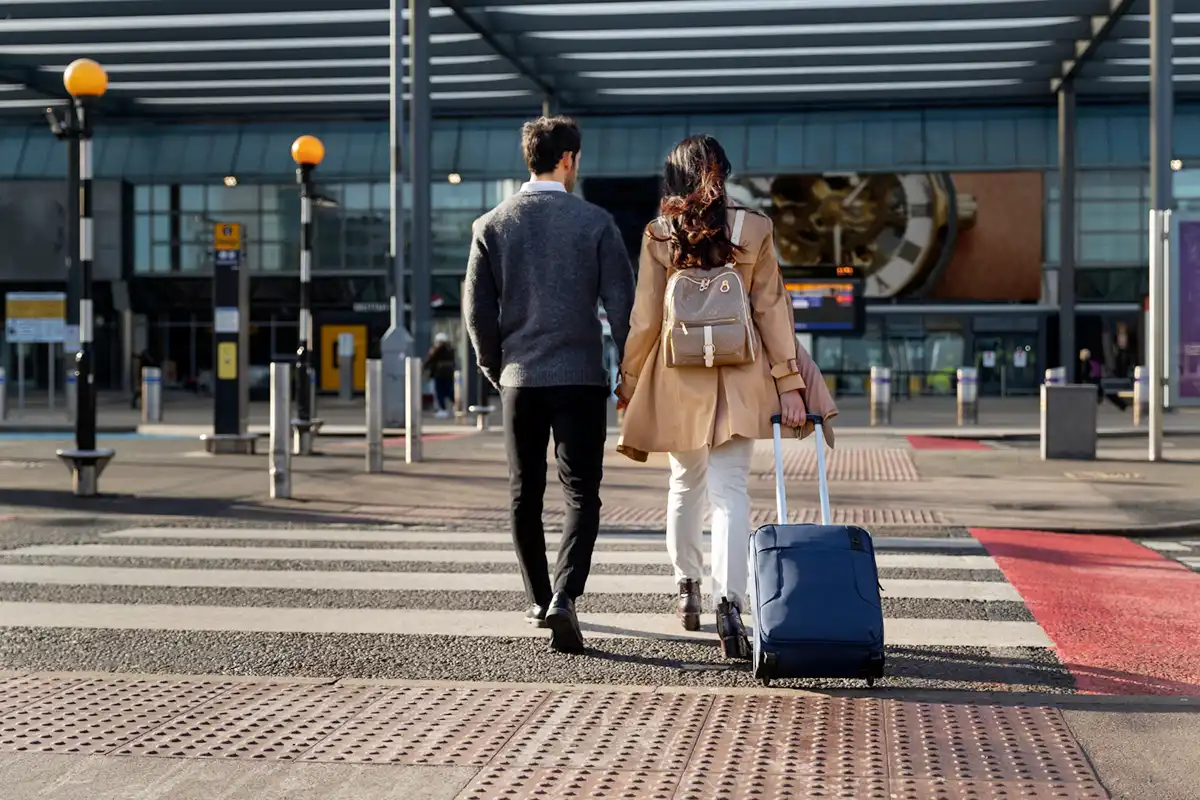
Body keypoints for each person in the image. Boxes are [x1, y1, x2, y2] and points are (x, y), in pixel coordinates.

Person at [615, 134, 838, 659]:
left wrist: (627, 380)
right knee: (731, 491)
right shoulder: (755, 228)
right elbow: (772, 311)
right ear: (726, 173)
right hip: (741, 379)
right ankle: (730, 603)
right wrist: (789, 383)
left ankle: (686, 586)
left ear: (673, 177)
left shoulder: (659, 233)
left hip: (678, 379)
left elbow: (646, 319)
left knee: (683, 483)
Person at [464, 116, 635, 654]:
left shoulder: (491, 225)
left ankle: (539, 598)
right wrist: (628, 372)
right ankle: (566, 595)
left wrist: (498, 370)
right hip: (581, 378)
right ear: (568, 160)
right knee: (582, 493)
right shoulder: (595, 222)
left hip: (520, 378)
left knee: (524, 494)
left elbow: (477, 314)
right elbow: (624, 307)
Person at [426, 333, 457, 418]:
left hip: (439, 374)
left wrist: (424, 368)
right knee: (449, 391)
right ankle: (457, 406)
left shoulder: (437, 349)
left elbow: (430, 360)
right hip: (449, 374)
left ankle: (442, 410)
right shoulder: (451, 349)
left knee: (440, 392)